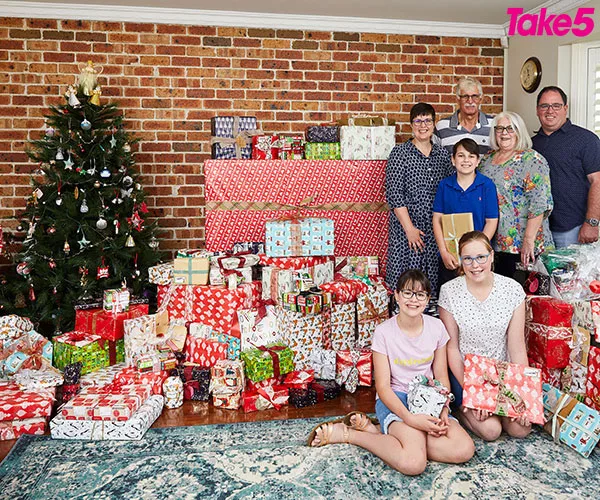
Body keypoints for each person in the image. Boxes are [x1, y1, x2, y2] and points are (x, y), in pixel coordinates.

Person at [307, 269, 475, 475]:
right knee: (413, 463)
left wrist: (443, 408)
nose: (414, 300)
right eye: (407, 293)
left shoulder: (437, 327)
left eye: (420, 294)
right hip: (397, 399)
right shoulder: (384, 332)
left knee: (464, 449)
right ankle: (350, 434)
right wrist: (410, 419)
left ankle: (384, 434)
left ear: (427, 299)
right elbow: (384, 387)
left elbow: (441, 376)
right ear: (396, 295)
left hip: (428, 400)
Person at [438, 231, 531, 442]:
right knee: (491, 431)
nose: (475, 265)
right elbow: (451, 349)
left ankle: (498, 407)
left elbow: (516, 347)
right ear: (461, 261)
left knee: (520, 429)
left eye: (481, 257)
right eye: (468, 259)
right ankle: (461, 409)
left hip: (501, 371)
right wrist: (475, 395)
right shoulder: (449, 292)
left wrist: (522, 393)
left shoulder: (512, 290)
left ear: (491, 256)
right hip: (467, 373)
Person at [385, 102, 453, 298]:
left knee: (431, 282)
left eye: (427, 121)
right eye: (418, 121)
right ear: (411, 124)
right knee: (407, 282)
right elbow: (394, 194)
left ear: (434, 124)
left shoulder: (442, 155)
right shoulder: (400, 153)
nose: (423, 125)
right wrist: (409, 229)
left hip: (435, 229)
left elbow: (450, 189)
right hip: (408, 228)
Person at [479, 111, 553, 279]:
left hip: (524, 243)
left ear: (519, 131)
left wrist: (528, 240)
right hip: (495, 242)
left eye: (510, 128)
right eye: (500, 129)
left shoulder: (532, 160)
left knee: (526, 297)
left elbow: (539, 203)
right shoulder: (486, 160)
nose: (504, 133)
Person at [532, 86, 600, 248]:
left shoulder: (586, 139)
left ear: (565, 108)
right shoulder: (531, 144)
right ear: (537, 110)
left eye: (556, 105)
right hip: (539, 230)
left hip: (574, 229)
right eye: (544, 106)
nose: (550, 111)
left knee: (574, 274)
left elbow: (597, 181)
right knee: (538, 274)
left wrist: (591, 223)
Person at [432, 138, 499, 286]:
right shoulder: (444, 185)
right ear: (453, 160)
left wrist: (475, 251)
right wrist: (443, 251)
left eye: (471, 156)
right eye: (461, 156)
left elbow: (491, 221)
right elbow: (437, 219)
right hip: (451, 256)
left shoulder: (487, 185)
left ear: (477, 161)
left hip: (478, 258)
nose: (466, 160)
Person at [434, 77, 493, 156]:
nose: (470, 101)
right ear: (458, 99)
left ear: (481, 99)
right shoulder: (442, 127)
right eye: (465, 96)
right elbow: (434, 159)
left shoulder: (493, 125)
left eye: (474, 96)